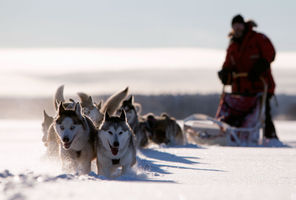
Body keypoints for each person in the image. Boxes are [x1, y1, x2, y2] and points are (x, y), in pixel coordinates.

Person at [218, 14, 278, 140]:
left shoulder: (258, 39)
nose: (237, 29)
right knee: (236, 117)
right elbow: (228, 64)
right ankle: (233, 138)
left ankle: (271, 140)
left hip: (260, 87)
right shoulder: (233, 46)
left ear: (244, 25)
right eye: (235, 26)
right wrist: (225, 73)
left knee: (264, 116)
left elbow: (270, 54)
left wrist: (259, 67)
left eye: (239, 25)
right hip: (240, 91)